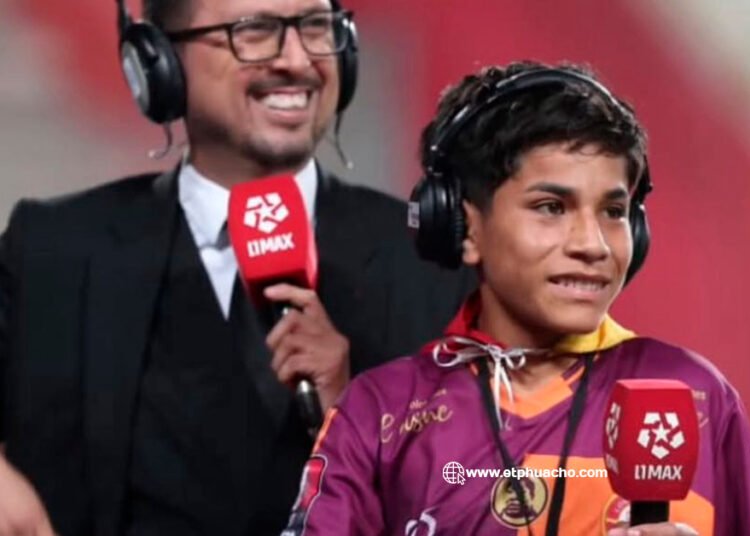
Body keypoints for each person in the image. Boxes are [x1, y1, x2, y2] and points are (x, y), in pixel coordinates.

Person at [0, 0, 473, 534]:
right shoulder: (51, 252)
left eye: (316, 27)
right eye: (256, 30)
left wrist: (358, 422)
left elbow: (494, 497)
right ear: (159, 60)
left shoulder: (434, 263)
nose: (297, 60)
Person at [284, 61, 750, 536]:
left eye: (613, 211)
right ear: (462, 226)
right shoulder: (380, 411)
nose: (592, 244)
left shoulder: (696, 394)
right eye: (551, 207)